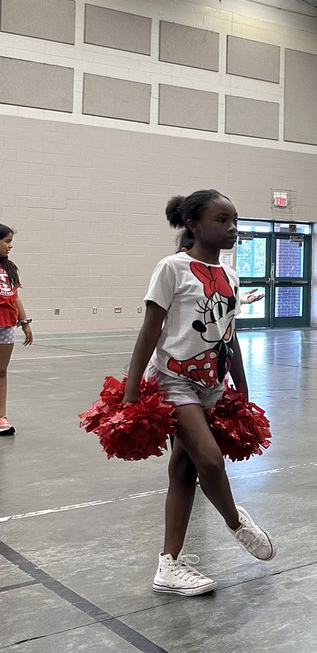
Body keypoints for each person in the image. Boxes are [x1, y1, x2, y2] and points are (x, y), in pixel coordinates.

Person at [123, 190, 275, 596]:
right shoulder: (172, 268)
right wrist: (132, 387)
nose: (232, 229)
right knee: (208, 458)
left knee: (185, 469)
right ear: (194, 226)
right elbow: (150, 329)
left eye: (234, 220)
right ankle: (235, 521)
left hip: (212, 383)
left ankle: (168, 565)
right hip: (173, 379)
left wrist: (240, 385)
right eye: (221, 220)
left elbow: (229, 333)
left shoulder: (231, 275)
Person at [0, 224, 32, 436]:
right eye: (7, 241)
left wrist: (25, 323)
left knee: (1, 371)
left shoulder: (10, 268)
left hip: (7, 324)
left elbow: (16, 297)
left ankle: (1, 416)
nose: (11, 246)